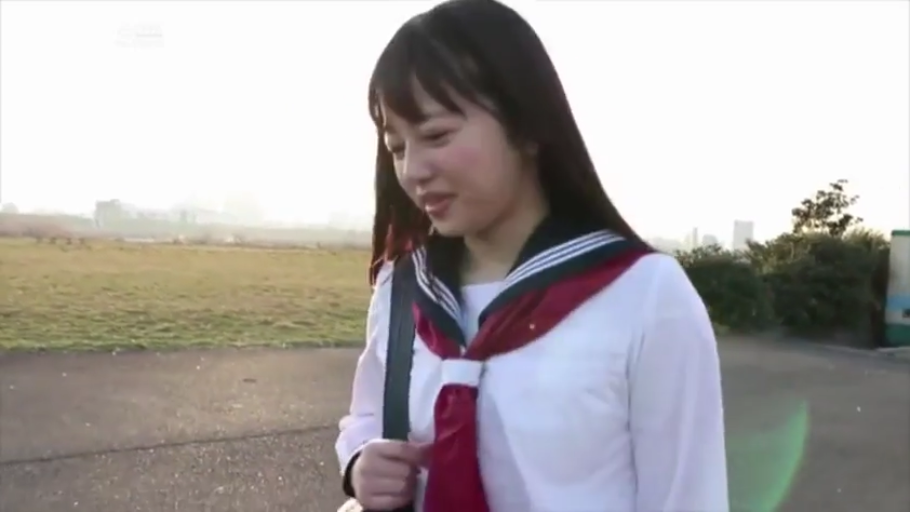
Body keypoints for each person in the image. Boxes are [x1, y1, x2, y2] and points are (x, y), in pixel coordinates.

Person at [335, 0, 729, 511]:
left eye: (436, 135)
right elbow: (367, 416)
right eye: (397, 147)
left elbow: (688, 498)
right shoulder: (405, 288)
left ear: (525, 127)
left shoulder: (645, 297)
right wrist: (360, 461)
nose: (413, 170)